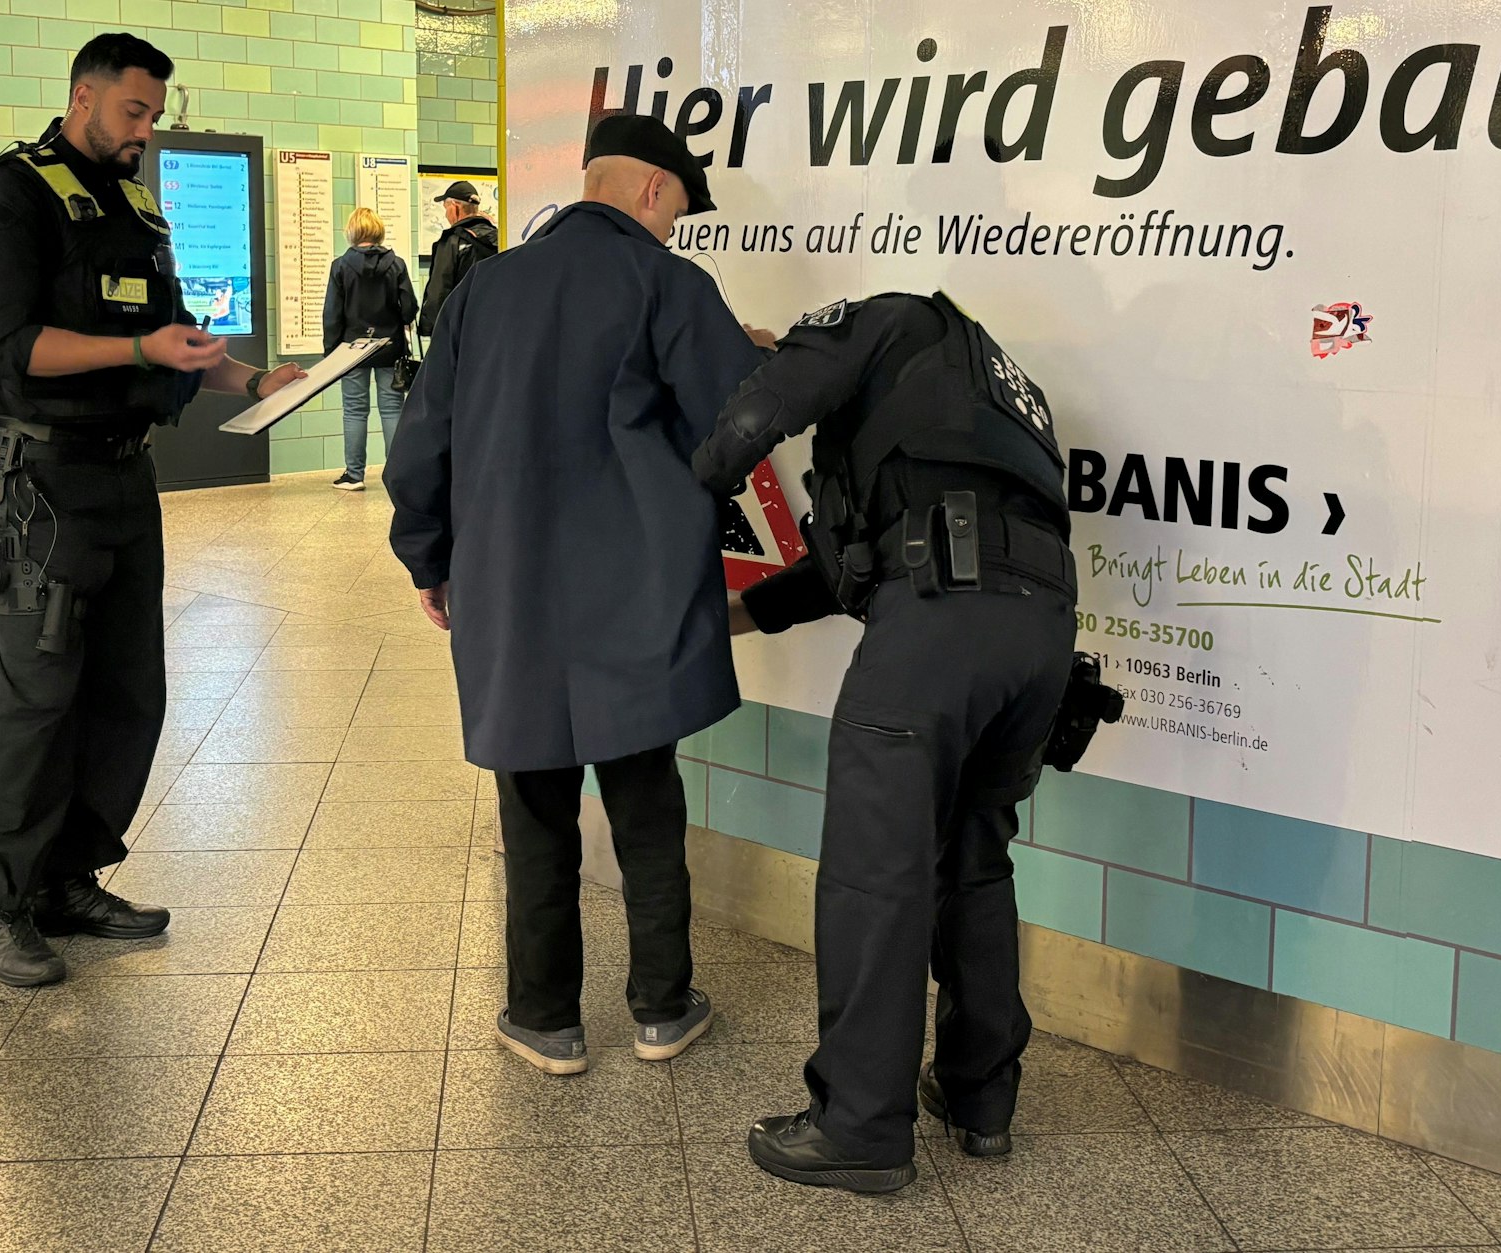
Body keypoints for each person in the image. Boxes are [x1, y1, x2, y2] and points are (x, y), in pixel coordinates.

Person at [387, 114, 775, 1075]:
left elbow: (419, 447)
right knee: (645, 797)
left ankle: (544, 1016)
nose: (677, 229)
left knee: (533, 805)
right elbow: (738, 424)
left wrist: (429, 558)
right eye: (678, 209)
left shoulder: (485, 289)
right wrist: (755, 357)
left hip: (509, 590)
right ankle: (662, 1007)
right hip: (637, 590)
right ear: (650, 190)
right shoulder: (668, 284)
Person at [693, 292, 1079, 1192]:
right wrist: (727, 620)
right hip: (1039, 634)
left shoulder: (883, 318)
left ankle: (860, 1124)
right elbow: (847, 570)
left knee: (878, 871)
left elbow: (760, 412)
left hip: (939, 627)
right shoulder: (979, 391)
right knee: (974, 862)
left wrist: (675, 493)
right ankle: (980, 1099)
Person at [0, 32, 304, 987]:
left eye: (154, 114)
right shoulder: (11, 195)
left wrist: (254, 376)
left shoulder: (135, 204)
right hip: (42, 490)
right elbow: (13, 349)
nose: (146, 130)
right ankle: (0, 903)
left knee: (124, 689)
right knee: (35, 696)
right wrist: (140, 354)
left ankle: (69, 877)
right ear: (83, 97)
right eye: (133, 112)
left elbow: (174, 341)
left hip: (120, 481)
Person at [323, 207, 418, 491]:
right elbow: (409, 308)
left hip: (352, 348)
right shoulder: (396, 264)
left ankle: (354, 475)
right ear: (377, 231)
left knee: (354, 411)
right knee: (392, 410)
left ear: (352, 232)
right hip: (389, 347)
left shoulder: (340, 266)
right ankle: (397, 475)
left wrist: (331, 352)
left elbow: (332, 313)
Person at [417, 180, 496, 339]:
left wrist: (430, 329)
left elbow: (439, 291)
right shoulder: (500, 238)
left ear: (455, 207)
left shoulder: (452, 242)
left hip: (460, 330)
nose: (446, 214)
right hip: (494, 326)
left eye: (446, 208)